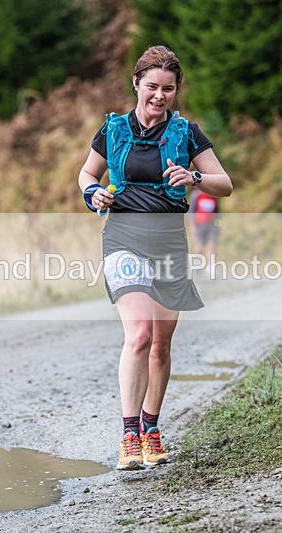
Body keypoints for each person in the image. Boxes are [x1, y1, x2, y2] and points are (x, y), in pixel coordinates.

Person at [78, 45, 233, 470]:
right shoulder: (112, 130)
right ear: (136, 84)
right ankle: (129, 436)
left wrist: (194, 177)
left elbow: (224, 184)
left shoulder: (187, 134)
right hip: (123, 238)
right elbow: (88, 173)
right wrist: (93, 192)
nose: (159, 96)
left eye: (168, 88)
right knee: (140, 335)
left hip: (169, 244)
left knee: (161, 345)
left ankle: (151, 428)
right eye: (152, 86)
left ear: (176, 90)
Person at [187, 189, 221, 277]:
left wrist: (218, 222)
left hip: (212, 224)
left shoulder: (213, 194)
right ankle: (197, 266)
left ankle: (211, 268)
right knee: (199, 246)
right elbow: (191, 210)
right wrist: (191, 225)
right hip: (199, 224)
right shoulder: (196, 194)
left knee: (212, 245)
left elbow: (217, 210)